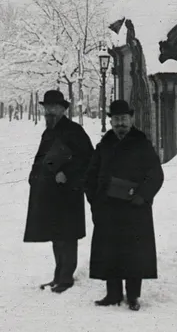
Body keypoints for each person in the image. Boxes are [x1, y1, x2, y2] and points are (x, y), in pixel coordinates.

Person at [84, 99, 164, 311]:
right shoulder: (104, 145)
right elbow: (90, 175)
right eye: (116, 119)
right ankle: (113, 294)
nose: (120, 124)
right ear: (111, 122)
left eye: (124, 119)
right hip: (108, 209)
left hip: (134, 209)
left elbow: (156, 174)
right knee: (110, 251)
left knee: (134, 253)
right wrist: (95, 200)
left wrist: (142, 196)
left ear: (131, 119)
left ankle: (133, 296)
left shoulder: (142, 144)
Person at [23, 89, 95, 293]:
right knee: (55, 234)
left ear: (63, 109)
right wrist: (34, 176)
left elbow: (89, 159)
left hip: (68, 193)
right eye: (47, 108)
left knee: (67, 235)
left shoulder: (75, 131)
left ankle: (66, 277)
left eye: (54, 108)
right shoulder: (48, 132)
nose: (49, 112)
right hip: (50, 193)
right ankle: (58, 274)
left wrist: (68, 173)